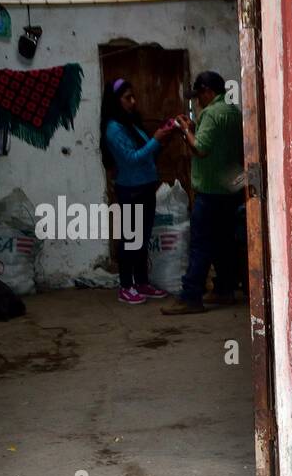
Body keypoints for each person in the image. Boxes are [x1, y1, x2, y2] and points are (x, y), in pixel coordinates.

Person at [161, 70, 245, 315]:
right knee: (224, 244)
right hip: (231, 188)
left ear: (208, 92)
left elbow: (201, 148)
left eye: (199, 96)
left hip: (209, 190)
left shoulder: (211, 113)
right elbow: (221, 143)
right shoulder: (233, 112)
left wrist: (186, 131)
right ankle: (224, 290)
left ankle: (190, 296)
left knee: (200, 245)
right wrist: (194, 127)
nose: (197, 101)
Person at [100, 78, 175, 304]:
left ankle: (141, 283)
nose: (133, 102)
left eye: (133, 97)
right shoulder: (113, 128)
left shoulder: (130, 124)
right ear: (116, 101)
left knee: (142, 238)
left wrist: (163, 135)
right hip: (130, 190)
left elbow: (147, 153)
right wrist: (155, 140)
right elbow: (132, 159)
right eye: (127, 98)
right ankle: (126, 285)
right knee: (130, 239)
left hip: (144, 187)